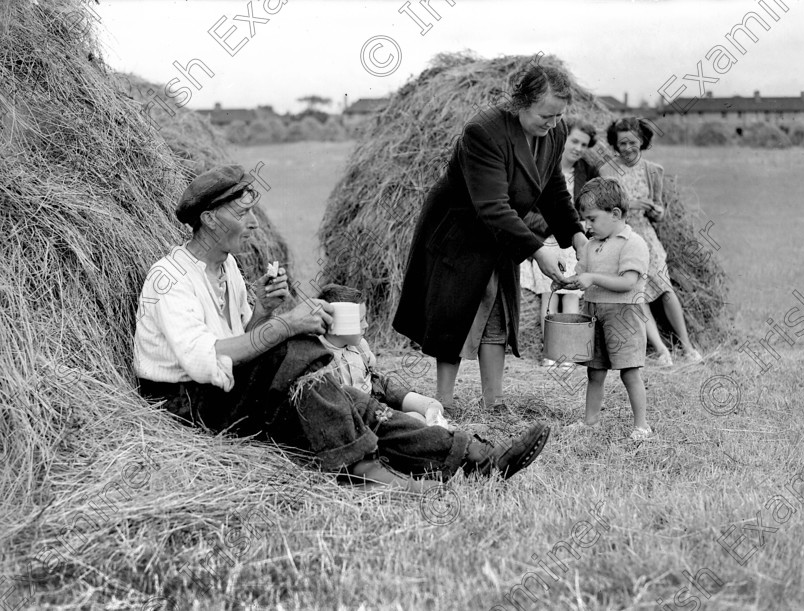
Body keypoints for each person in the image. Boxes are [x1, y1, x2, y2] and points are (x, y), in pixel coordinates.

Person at [133, 165, 551, 492]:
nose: (255, 224)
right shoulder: (169, 278)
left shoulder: (227, 269)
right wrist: (283, 324)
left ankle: (476, 459)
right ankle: (364, 470)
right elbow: (208, 361)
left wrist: (263, 310)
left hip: (229, 393)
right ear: (208, 218)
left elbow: (247, 339)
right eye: (244, 214)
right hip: (187, 404)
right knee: (295, 347)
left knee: (350, 401)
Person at [393, 64, 588, 413]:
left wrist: (577, 236)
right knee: (453, 315)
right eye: (546, 115)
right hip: (461, 232)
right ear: (521, 103)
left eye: (559, 115)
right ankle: (444, 402)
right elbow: (492, 206)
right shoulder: (483, 132)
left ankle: (494, 402)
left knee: (498, 313)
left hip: (503, 232)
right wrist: (537, 251)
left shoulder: (553, 133)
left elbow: (553, 191)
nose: (553, 123)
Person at [600, 117, 702, 366]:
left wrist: (656, 212)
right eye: (621, 143)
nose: (627, 148)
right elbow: (605, 210)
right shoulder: (607, 171)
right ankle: (661, 351)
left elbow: (659, 211)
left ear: (643, 141)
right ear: (614, 144)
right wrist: (631, 204)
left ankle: (687, 348)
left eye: (632, 142)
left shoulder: (654, 170)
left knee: (665, 288)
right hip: (622, 238)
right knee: (637, 294)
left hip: (646, 236)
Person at [562, 178, 652, 440]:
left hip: (623, 314)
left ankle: (641, 426)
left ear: (615, 214)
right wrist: (567, 281)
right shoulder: (591, 245)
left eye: (591, 219)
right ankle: (590, 422)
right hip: (593, 312)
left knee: (629, 370)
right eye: (584, 220)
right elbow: (583, 275)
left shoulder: (632, 243)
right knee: (595, 370)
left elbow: (627, 282)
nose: (586, 226)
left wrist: (592, 279)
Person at [520, 118, 600, 369]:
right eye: (574, 141)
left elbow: (593, 205)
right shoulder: (542, 166)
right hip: (545, 241)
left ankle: (568, 353)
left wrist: (583, 227)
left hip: (572, 242)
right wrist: (551, 227)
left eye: (584, 144)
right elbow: (526, 209)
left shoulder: (586, 172)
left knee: (572, 297)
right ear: (562, 140)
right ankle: (551, 352)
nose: (578, 148)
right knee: (550, 296)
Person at [317, 283, 452, 430]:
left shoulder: (359, 345)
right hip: (356, 417)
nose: (366, 325)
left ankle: (433, 427)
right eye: (360, 320)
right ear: (337, 324)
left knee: (433, 407)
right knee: (416, 421)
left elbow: (375, 381)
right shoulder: (321, 357)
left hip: (375, 397)